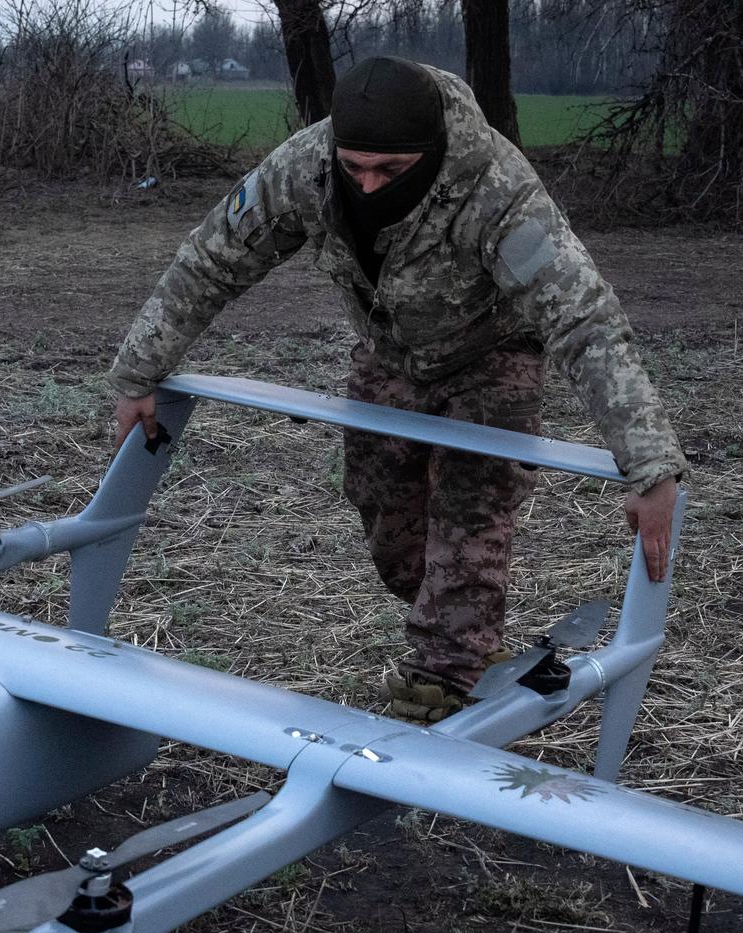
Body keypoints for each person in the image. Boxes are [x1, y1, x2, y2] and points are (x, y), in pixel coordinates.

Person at [107, 57, 687, 722]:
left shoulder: (497, 192)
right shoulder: (305, 169)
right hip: (389, 354)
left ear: (432, 154)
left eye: (390, 171)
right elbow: (213, 259)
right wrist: (137, 373)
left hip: (492, 357)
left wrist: (647, 463)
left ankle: (437, 687)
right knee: (390, 527)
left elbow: (584, 321)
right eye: (356, 167)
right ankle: (464, 627)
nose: (369, 184)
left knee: (468, 522)